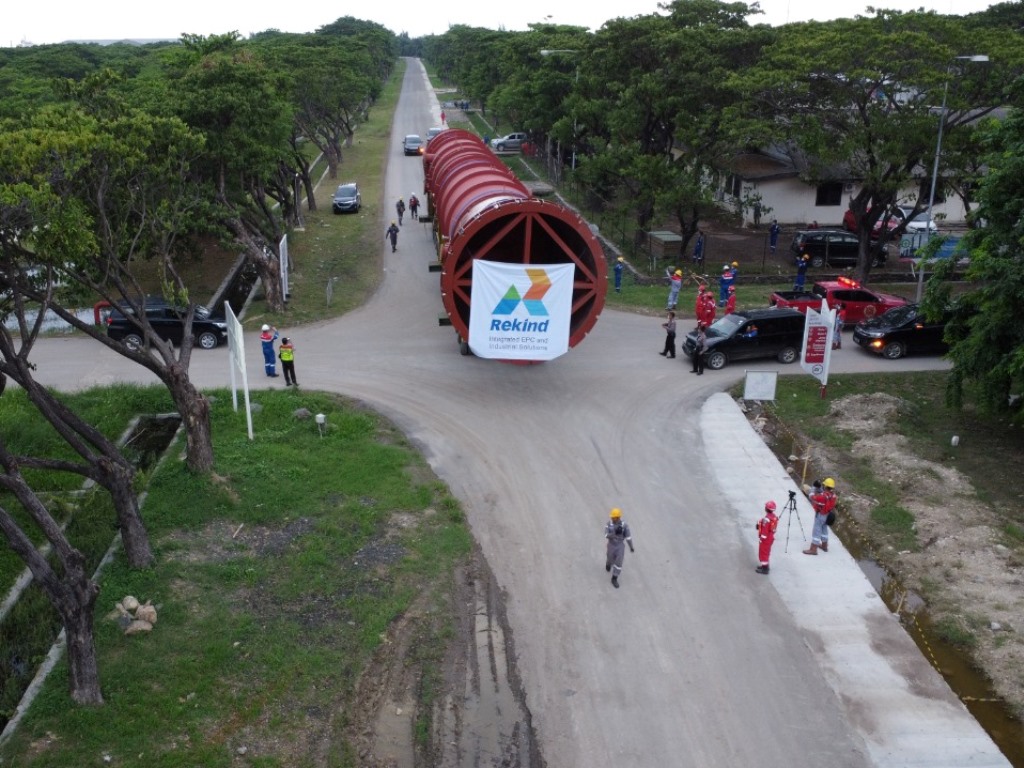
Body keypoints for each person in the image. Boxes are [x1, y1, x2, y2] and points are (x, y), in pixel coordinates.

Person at [804, 477, 837, 555]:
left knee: (816, 531)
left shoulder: (822, 497)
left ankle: (813, 549)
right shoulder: (833, 495)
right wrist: (820, 489)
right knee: (824, 529)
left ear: (825, 486)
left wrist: (814, 488)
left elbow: (811, 496)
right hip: (827, 515)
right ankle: (824, 546)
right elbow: (825, 494)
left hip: (820, 515)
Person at [604, 507, 634, 589]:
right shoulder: (609, 524)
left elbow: (628, 537)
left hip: (620, 546)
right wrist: (614, 532)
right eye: (611, 517)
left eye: (613, 517)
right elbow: (606, 535)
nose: (611, 518)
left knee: (619, 563)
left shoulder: (624, 526)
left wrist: (631, 547)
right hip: (611, 545)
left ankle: (614, 578)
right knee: (610, 558)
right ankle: (608, 563)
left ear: (618, 517)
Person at [755, 500, 779, 574]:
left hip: (766, 539)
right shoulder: (774, 517)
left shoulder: (766, 520)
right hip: (770, 537)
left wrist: (761, 539)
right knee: (766, 552)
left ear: (766, 508)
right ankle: (765, 566)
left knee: (763, 553)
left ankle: (765, 569)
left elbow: (764, 532)